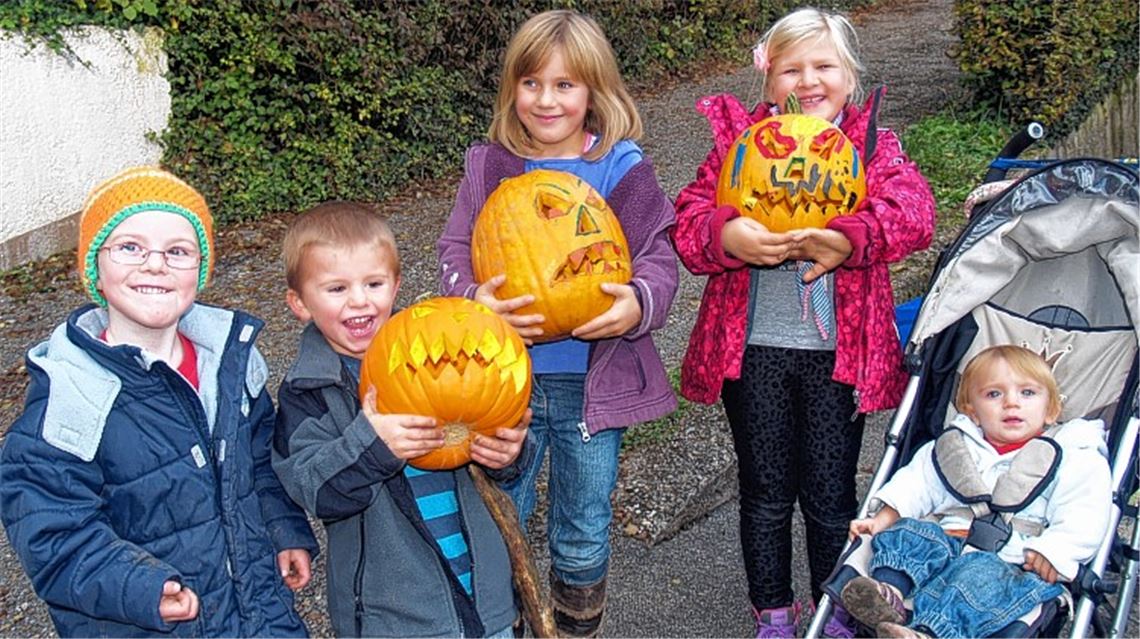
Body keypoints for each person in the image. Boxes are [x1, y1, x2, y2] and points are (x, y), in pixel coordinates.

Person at [670, 7, 936, 638]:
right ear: (768, 81)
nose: (808, 81)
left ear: (850, 76)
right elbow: (687, 221)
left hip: (837, 358)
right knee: (763, 491)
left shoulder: (872, 147)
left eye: (824, 66)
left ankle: (832, 608)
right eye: (791, 68)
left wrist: (853, 236)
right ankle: (772, 612)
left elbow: (914, 212)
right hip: (754, 352)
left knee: (831, 495)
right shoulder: (736, 148)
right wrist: (725, 233)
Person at [437, 9, 678, 637]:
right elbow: (454, 251)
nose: (547, 100)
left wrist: (637, 304)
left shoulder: (622, 169)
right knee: (499, 517)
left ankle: (573, 629)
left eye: (565, 85)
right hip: (502, 384)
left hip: (589, 387)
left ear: (595, 92)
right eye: (532, 83)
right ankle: (504, 624)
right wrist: (474, 299)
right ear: (512, 89)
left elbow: (659, 254)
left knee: (582, 523)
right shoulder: (489, 167)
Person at [0, 166, 317, 637]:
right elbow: (51, 532)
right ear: (95, 268)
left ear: (200, 270)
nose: (155, 264)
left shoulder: (229, 364)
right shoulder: (71, 394)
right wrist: (140, 587)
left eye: (178, 251)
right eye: (129, 247)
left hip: (258, 613)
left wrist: (283, 529)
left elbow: (258, 464)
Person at [271, 201, 532, 638]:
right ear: (299, 303)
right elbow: (313, 489)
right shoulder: (309, 391)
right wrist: (372, 446)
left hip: (486, 601)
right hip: (393, 618)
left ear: (395, 285)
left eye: (373, 283)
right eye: (336, 289)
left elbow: (501, 417)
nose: (360, 300)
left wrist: (507, 456)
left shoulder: (440, 348)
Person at [840, 345, 1111, 638]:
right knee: (909, 532)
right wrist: (882, 519)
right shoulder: (956, 448)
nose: (1011, 403)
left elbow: (1085, 512)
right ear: (972, 411)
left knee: (976, 578)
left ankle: (929, 632)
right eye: (994, 394)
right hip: (946, 542)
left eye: (1028, 393)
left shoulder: (1071, 456)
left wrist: (1056, 552)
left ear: (1051, 410)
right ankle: (888, 592)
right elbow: (916, 484)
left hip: (1008, 562)